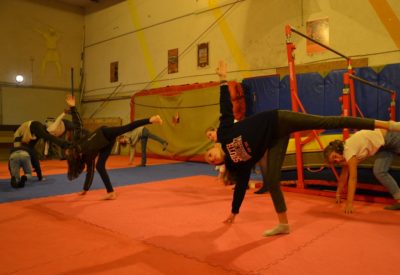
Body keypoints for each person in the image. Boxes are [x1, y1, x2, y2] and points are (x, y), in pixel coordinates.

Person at [205, 60, 400, 236]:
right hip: (274, 140)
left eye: (208, 155)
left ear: (213, 147)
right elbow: (241, 185)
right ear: (221, 162)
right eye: (211, 161)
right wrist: (234, 211)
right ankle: (283, 225)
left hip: (279, 119)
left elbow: (225, 108)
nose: (210, 158)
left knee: (330, 121)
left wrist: (223, 79)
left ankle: (386, 125)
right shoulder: (237, 163)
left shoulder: (225, 132)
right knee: (272, 181)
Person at [65, 112, 164, 200]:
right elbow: (90, 172)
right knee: (99, 166)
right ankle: (111, 192)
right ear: (75, 158)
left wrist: (73, 109)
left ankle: (151, 119)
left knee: (126, 128)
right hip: (105, 143)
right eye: (69, 154)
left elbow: (78, 125)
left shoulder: (77, 145)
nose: (68, 152)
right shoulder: (86, 157)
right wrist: (85, 189)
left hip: (104, 132)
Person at [324, 129, 400, 212]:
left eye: (335, 157)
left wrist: (349, 203)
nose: (337, 160)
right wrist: (338, 193)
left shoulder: (348, 150)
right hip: (384, 146)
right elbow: (343, 175)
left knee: (379, 171)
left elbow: (353, 179)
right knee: (379, 171)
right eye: (335, 161)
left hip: (391, 138)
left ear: (337, 149)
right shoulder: (346, 155)